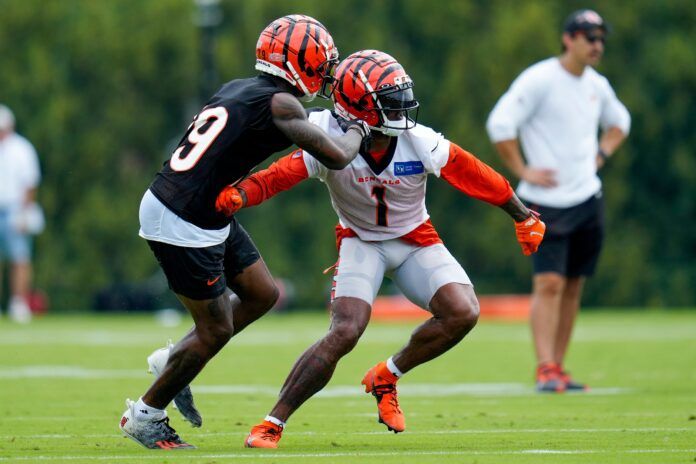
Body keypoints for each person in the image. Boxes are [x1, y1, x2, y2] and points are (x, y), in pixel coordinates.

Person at [213, 49, 547, 448]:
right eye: (390, 100)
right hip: (360, 242)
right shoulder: (329, 136)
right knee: (345, 331)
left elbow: (473, 174)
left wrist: (523, 215)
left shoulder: (418, 141)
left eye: (402, 96)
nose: (402, 107)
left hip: (415, 240)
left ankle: (387, 375)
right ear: (357, 105)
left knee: (463, 312)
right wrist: (241, 195)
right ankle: (273, 421)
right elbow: (279, 176)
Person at [119, 14, 370, 450]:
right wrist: (357, 126)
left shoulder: (240, 88)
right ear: (300, 62)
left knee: (262, 294)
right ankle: (145, 415)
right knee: (214, 330)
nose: (327, 73)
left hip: (201, 207)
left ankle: (171, 360)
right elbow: (338, 156)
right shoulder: (280, 105)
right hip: (183, 217)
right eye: (323, 64)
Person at [486, 9, 630, 393]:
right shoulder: (540, 79)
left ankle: (560, 367)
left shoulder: (596, 85)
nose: (596, 45)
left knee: (573, 285)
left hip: (586, 198)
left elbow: (620, 123)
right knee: (548, 282)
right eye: (589, 37)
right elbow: (500, 124)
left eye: (601, 38)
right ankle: (545, 366)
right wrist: (523, 169)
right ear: (569, 39)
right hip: (544, 202)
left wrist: (600, 156)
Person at [0, 104, 42, 324]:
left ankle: (18, 302)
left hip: (14, 208)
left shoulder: (21, 149)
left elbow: (30, 183)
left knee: (19, 258)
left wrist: (24, 212)